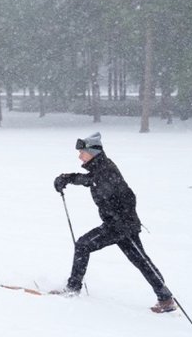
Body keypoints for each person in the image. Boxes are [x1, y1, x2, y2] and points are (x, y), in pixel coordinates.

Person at [53, 132, 176, 313]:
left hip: (121, 225)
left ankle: (73, 288)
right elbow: (90, 180)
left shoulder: (105, 170)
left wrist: (122, 218)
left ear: (93, 152)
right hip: (116, 225)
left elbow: (128, 195)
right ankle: (165, 298)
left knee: (84, 244)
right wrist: (68, 178)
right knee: (140, 260)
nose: (79, 156)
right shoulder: (99, 168)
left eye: (82, 152)